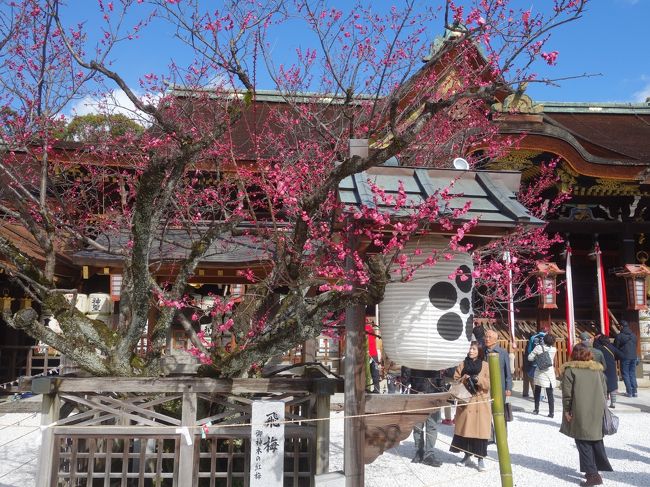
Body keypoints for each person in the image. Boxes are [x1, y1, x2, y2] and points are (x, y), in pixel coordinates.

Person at [560, 343, 612, 487]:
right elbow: (604, 389)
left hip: (580, 410)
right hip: (597, 409)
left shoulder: (571, 370)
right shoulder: (597, 370)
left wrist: (567, 410)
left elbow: (567, 394)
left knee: (583, 442)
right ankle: (595, 469)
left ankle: (592, 475)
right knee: (596, 439)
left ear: (574, 354)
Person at [450, 341, 491, 472]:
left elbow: (491, 383)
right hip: (465, 401)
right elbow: (455, 379)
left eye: (473, 349)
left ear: (479, 351)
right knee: (465, 432)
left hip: (480, 401)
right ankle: (466, 456)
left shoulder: (485, 365)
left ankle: (480, 459)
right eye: (469, 348)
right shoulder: (462, 364)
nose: (470, 351)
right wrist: (465, 378)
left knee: (480, 433)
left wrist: (478, 379)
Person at [402, 367, 443, 467]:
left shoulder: (435, 360)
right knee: (417, 426)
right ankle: (419, 451)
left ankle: (429, 454)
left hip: (433, 394)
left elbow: (441, 378)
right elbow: (405, 377)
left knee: (432, 425)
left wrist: (441, 392)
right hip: (417, 393)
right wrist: (406, 372)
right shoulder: (414, 357)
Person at [528, 333, 557, 417]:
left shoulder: (538, 347)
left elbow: (529, 358)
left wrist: (536, 358)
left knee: (537, 390)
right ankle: (551, 413)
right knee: (550, 393)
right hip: (550, 372)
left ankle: (536, 409)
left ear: (543, 340)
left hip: (540, 371)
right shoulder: (554, 349)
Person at [594, 335, 623, 408]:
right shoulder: (612, 347)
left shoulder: (598, 349)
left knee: (604, 386)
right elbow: (621, 355)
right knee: (612, 386)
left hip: (602, 368)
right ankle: (613, 403)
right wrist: (614, 358)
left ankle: (605, 403)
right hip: (612, 368)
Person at [484, 330, 513, 403]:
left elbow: (508, 372)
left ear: (495, 340)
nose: (487, 339)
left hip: (499, 387)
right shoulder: (482, 352)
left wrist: (508, 388)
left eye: (489, 337)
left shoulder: (502, 353)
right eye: (486, 337)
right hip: (485, 387)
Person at [614, 320, 638, 397]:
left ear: (621, 326)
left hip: (624, 357)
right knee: (632, 374)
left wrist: (617, 356)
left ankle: (629, 392)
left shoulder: (619, 336)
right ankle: (635, 391)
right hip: (633, 356)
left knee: (625, 374)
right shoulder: (633, 335)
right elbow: (636, 345)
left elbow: (616, 347)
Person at [523, 329, 547, 398]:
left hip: (526, 363)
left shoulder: (529, 343)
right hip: (532, 363)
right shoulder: (536, 342)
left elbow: (528, 352)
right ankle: (536, 395)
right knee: (533, 380)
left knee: (526, 379)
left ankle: (525, 393)